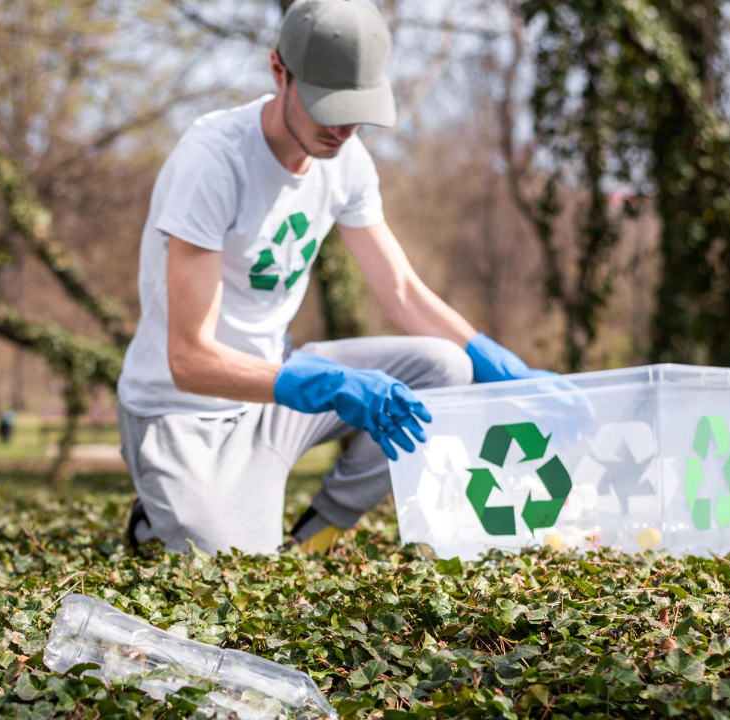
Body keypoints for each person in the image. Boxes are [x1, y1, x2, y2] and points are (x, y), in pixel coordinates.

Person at [117, 0, 558, 556]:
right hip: (182, 413)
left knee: (446, 367)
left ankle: (319, 529)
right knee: (234, 571)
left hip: (275, 394)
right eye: (327, 104)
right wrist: (324, 385)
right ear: (280, 72)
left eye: (356, 107)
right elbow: (189, 361)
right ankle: (157, 519)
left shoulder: (346, 163)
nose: (342, 127)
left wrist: (493, 360)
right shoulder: (213, 162)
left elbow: (400, 292)